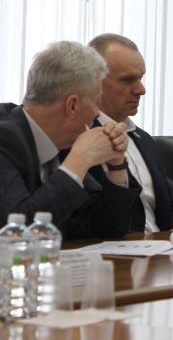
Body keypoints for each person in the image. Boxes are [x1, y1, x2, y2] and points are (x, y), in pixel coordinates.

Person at [0, 41, 139, 239]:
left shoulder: (64, 142)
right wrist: (78, 162)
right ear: (72, 106)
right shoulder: (5, 139)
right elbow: (14, 233)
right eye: (95, 102)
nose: (97, 113)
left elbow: (107, 230)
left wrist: (116, 166)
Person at [88, 33, 173, 232]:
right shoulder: (79, 137)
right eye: (128, 80)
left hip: (163, 247)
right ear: (95, 81)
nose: (141, 89)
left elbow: (170, 205)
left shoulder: (144, 139)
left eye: (140, 78)